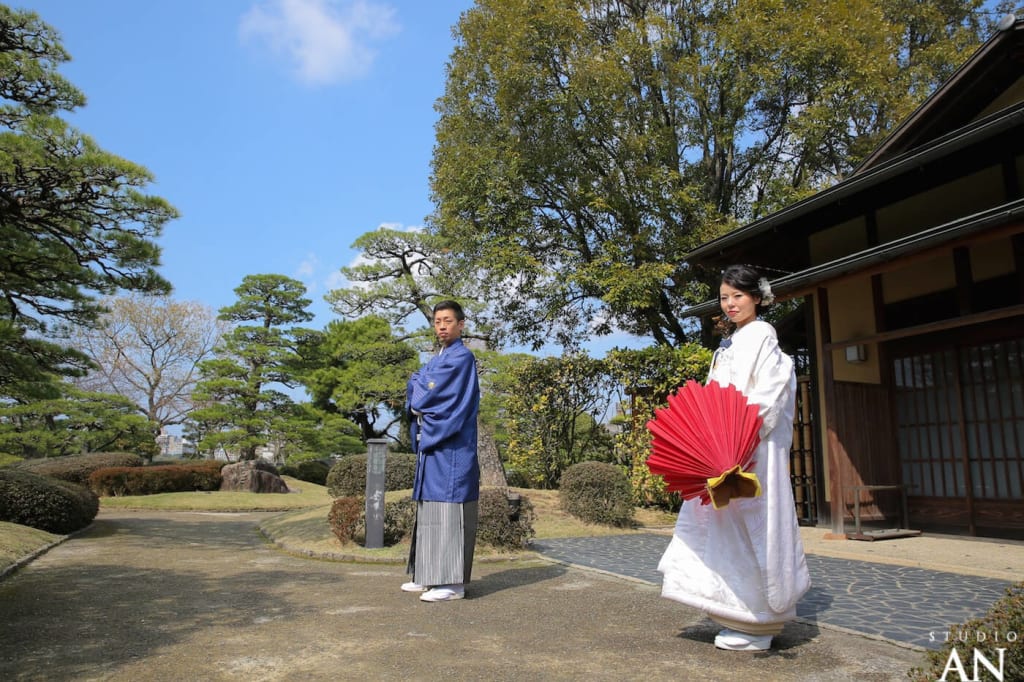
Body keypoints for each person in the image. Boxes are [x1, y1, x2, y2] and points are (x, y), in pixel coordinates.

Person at [657, 264, 811, 650]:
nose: (730, 304)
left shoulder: (762, 337)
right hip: (723, 451)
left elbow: (769, 396)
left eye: (737, 296)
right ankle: (727, 609)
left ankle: (756, 620)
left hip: (749, 451)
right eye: (724, 297)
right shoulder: (729, 344)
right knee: (719, 525)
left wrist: (739, 434)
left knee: (750, 527)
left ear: (757, 297)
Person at [401, 300, 481, 603]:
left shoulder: (462, 357)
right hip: (435, 447)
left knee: (449, 510)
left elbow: (429, 393)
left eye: (448, 320)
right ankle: (427, 575)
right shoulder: (440, 357)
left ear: (461, 325)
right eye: (437, 321)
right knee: (430, 510)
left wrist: (419, 388)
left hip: (453, 447)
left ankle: (452, 583)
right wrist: (420, 386)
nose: (442, 326)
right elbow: (419, 385)